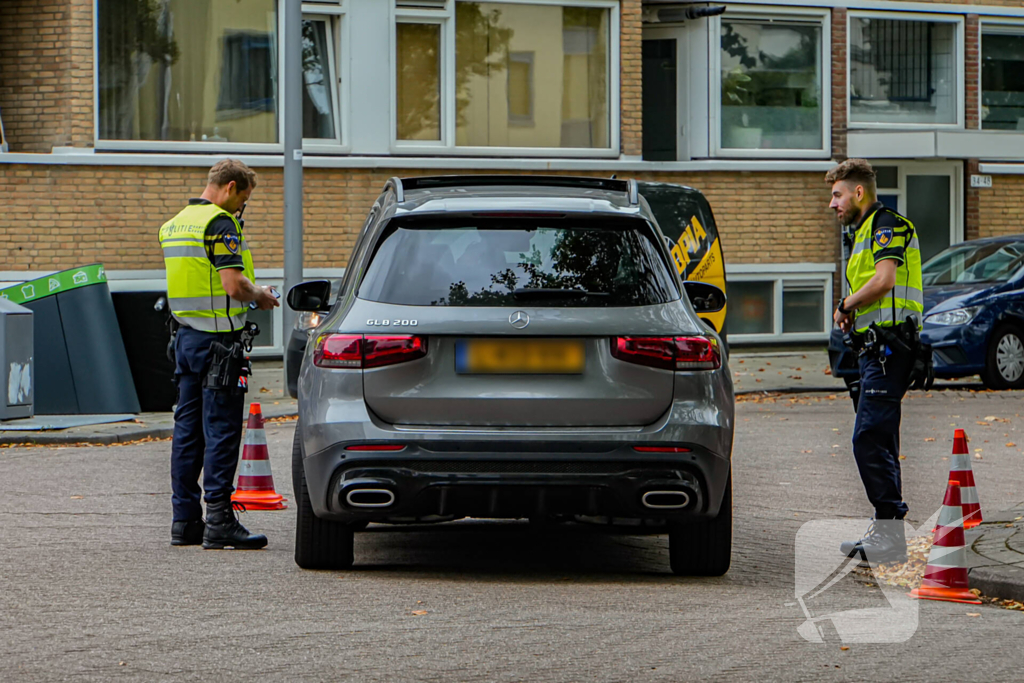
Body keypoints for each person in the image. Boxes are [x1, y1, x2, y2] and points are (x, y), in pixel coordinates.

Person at [159, 159, 280, 549]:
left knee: (187, 431)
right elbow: (233, 285)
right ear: (230, 187)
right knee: (222, 430)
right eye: (243, 199)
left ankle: (184, 521)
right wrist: (260, 295)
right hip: (219, 344)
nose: (242, 207)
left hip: (185, 340)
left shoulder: (175, 224)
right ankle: (220, 521)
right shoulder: (219, 223)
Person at [827, 159, 924, 563]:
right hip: (874, 351)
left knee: (868, 438)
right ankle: (889, 535)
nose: (832, 203)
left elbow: (884, 280)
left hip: (890, 349)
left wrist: (845, 304)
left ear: (858, 192)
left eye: (837, 194)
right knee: (881, 440)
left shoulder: (886, 225)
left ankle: (889, 528)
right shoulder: (863, 231)